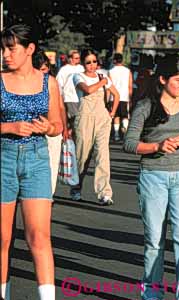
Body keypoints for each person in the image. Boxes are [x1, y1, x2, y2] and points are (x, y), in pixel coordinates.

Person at [123, 55, 179, 300]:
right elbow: (129, 143)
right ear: (163, 79)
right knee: (154, 240)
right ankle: (152, 294)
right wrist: (157, 146)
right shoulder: (146, 105)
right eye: (178, 80)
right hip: (153, 176)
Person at [1, 24, 63, 300]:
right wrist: (8, 128)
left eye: (11, 48)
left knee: (39, 237)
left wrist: (47, 128)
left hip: (38, 158)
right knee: (2, 240)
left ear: (29, 50)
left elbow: (59, 124)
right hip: (3, 158)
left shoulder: (48, 82)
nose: (5, 54)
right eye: (3, 48)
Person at [70, 49, 120, 205]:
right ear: (83, 63)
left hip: (102, 119)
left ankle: (104, 192)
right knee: (82, 157)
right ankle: (76, 188)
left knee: (102, 155)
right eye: (88, 62)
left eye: (94, 62)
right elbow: (88, 90)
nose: (92, 65)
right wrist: (102, 82)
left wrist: (111, 113)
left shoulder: (102, 76)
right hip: (85, 118)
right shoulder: (78, 76)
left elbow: (116, 95)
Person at [33, 51, 70, 194]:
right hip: (34, 130)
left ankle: (49, 194)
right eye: (41, 69)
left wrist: (65, 128)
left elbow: (61, 107)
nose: (44, 72)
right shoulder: (27, 84)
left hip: (53, 129)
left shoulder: (52, 82)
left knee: (53, 164)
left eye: (46, 68)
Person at [55, 49, 84, 127]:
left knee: (81, 121)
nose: (78, 60)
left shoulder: (81, 68)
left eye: (79, 58)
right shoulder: (64, 70)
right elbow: (58, 85)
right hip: (70, 98)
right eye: (76, 58)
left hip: (81, 98)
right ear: (70, 58)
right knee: (74, 121)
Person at [109, 53, 133, 141]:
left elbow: (109, 85)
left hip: (114, 97)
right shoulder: (128, 71)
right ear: (122, 60)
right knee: (125, 115)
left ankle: (116, 135)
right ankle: (125, 133)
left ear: (114, 60)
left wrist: (108, 99)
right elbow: (130, 86)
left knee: (116, 116)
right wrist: (130, 98)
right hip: (124, 96)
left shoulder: (111, 71)